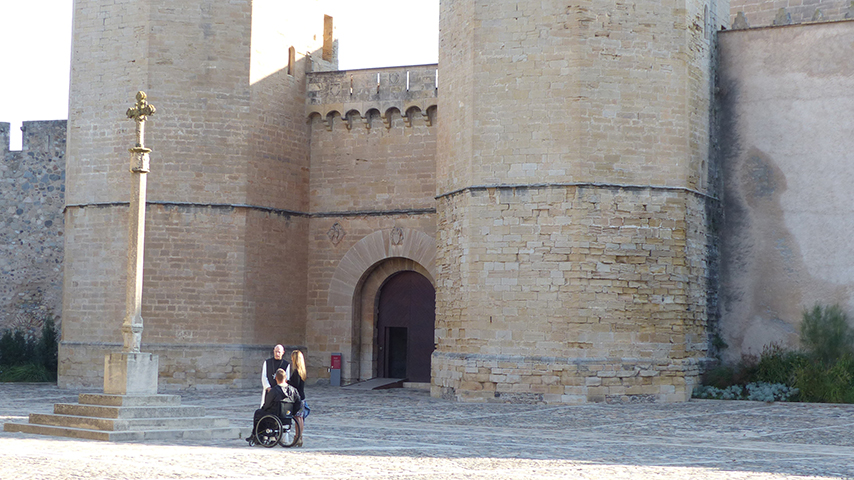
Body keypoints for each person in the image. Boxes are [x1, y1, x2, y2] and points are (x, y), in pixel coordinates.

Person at [249, 368, 300, 442]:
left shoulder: (274, 391)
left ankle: (257, 435)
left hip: (275, 415)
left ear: (276, 378)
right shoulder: (293, 390)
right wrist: (293, 412)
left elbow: (267, 404)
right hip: (287, 415)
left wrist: (263, 409)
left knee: (258, 413)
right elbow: (298, 402)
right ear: (285, 377)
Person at [289, 349, 308, 447]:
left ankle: (297, 437)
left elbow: (294, 385)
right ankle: (299, 437)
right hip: (302, 397)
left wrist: (287, 382)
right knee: (300, 418)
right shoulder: (302, 371)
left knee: (297, 418)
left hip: (297, 398)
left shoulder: (296, 372)